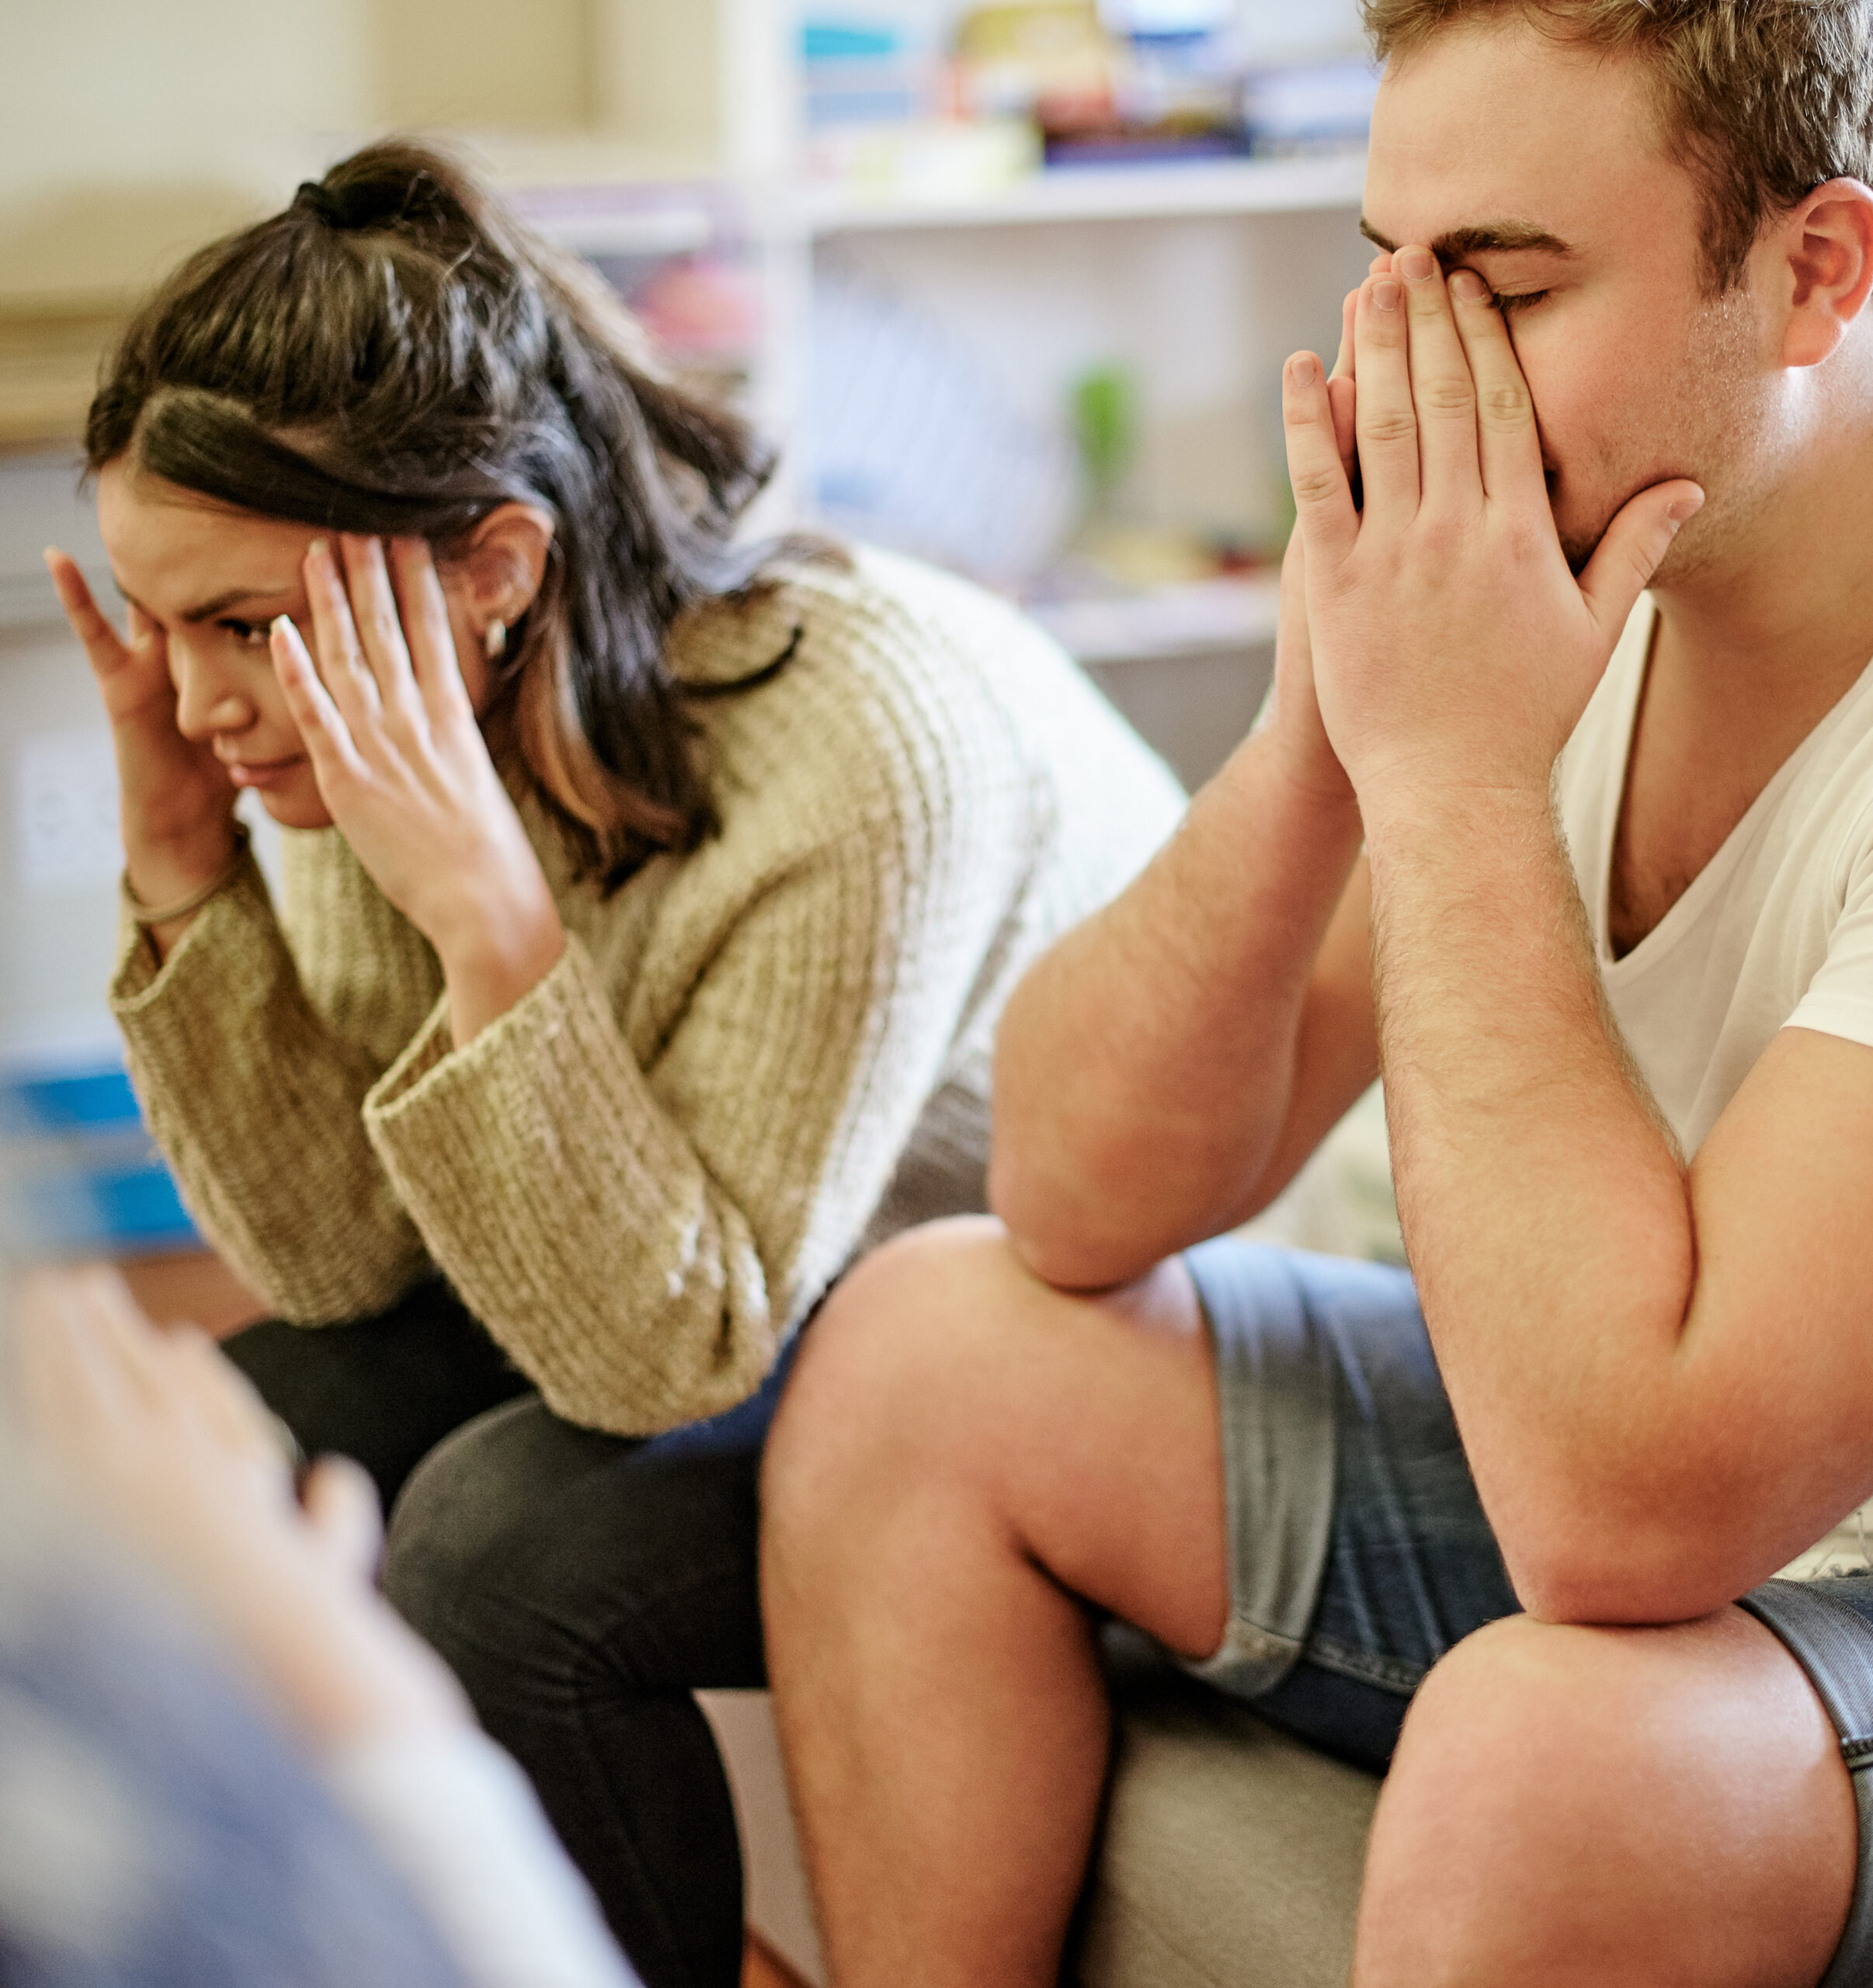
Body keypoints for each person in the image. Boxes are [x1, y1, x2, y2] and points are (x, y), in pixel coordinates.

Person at [759, 2, 1873, 1984]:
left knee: (1548, 1759)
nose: (1397, 383)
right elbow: (1076, 1191)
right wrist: (1317, 731)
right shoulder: (1555, 560)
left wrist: (1451, 782)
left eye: (1499, 289)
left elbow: (1615, 1517)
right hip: (1643, 1446)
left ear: (1812, 271)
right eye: (1384, 274)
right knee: (928, 1345)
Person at [42, 141, 1183, 1988]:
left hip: (1050, 1324)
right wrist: (190, 876)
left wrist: (491, 924)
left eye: (242, 626)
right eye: (159, 621)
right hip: (717, 1263)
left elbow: (664, 1351)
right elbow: (343, 1257)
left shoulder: (863, 745)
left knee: (504, 1552)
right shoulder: (374, 716)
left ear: (496, 563)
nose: (192, 702)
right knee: (258, 1429)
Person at [4, 1262, 639, 1988]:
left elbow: (648, 1359)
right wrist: (342, 1681)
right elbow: (327, 1270)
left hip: (659, 1341)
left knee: (478, 1546)